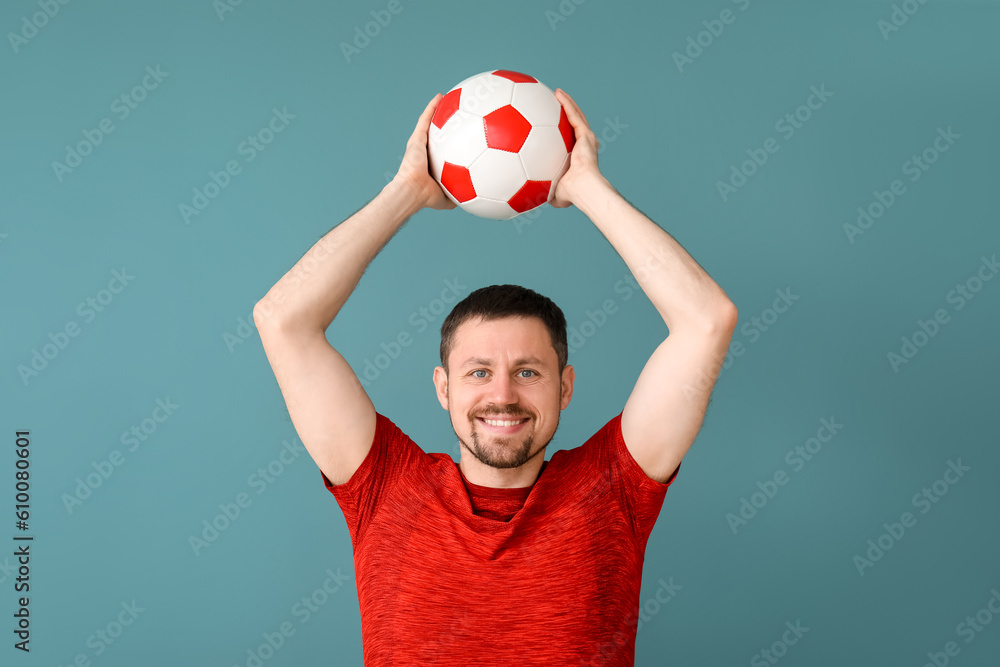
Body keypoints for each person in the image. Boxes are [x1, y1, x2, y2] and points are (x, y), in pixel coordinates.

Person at [253, 88, 738, 666]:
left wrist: (587, 188)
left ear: (565, 386)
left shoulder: (613, 490)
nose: (502, 395)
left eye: (528, 371)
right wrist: (405, 193)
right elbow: (283, 320)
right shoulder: (385, 487)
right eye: (478, 371)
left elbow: (707, 321)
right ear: (443, 388)